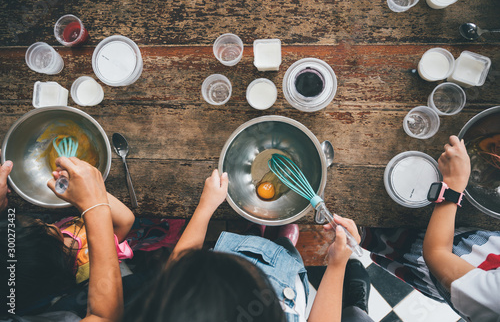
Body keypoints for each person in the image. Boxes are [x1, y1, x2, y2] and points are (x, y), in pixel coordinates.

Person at [124, 169, 373, 322]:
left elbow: (179, 270)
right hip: (285, 282)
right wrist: (337, 263)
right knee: (286, 250)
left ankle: (253, 233)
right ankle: (284, 244)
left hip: (232, 251)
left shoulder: (170, 309)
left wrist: (206, 207)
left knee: (248, 239)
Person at [361, 136, 500, 321]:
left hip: (438, 263)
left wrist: (453, 183)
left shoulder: (494, 300)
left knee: (379, 231)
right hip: (478, 236)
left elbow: (436, 253)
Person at [0, 156, 133, 321]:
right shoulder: (88, 255)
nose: (41, 220)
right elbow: (126, 221)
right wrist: (91, 197)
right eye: (43, 226)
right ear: (51, 248)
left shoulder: (41, 264)